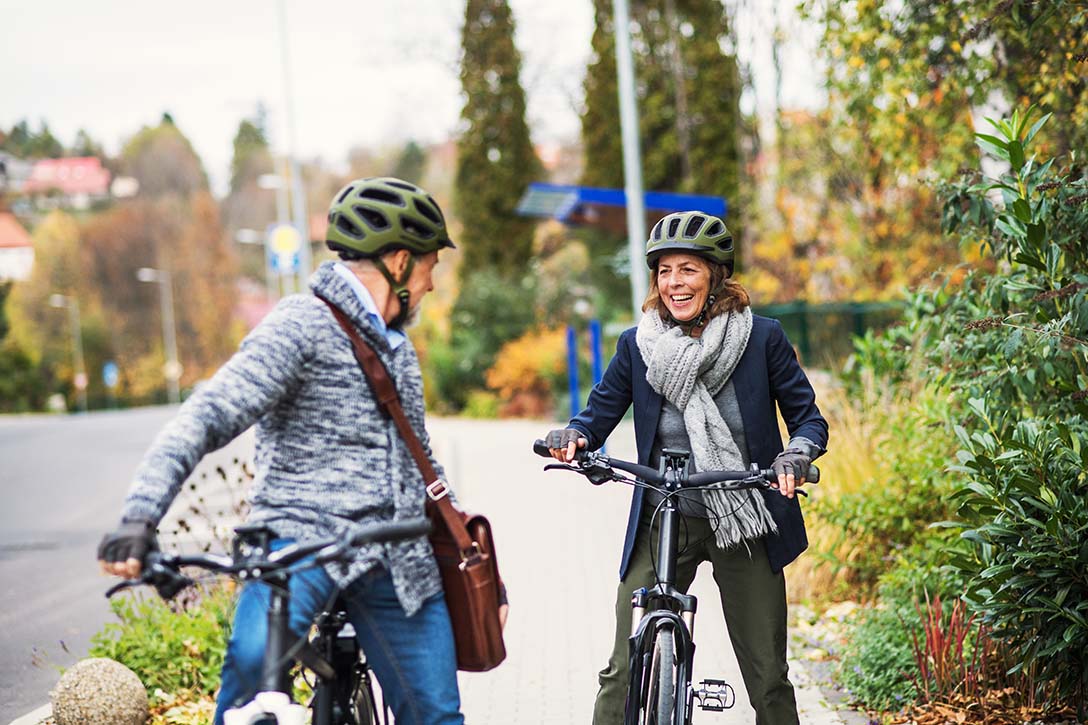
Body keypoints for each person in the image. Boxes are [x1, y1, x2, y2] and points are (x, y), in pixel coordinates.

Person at [98, 177, 485, 725]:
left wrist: (463, 540)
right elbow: (209, 414)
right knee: (252, 680)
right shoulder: (299, 325)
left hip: (395, 558)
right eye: (428, 267)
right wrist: (141, 515)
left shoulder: (397, 346)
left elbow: (419, 459)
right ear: (400, 263)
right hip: (299, 546)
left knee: (436, 715)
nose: (430, 285)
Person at [544, 210, 828, 725]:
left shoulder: (761, 340)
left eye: (688, 270)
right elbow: (598, 413)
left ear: (716, 276)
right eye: (665, 271)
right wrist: (576, 437)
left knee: (768, 677)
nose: (674, 283)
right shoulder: (638, 346)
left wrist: (795, 455)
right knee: (621, 667)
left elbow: (808, 419)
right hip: (664, 515)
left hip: (744, 515)